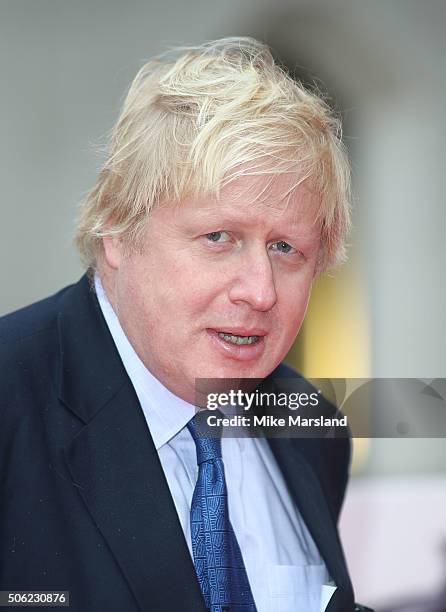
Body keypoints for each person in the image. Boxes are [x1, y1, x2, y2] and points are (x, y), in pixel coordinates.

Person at [0, 38, 372, 612]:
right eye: (219, 238)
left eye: (287, 248)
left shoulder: (312, 426)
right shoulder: (10, 399)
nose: (261, 290)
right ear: (118, 232)